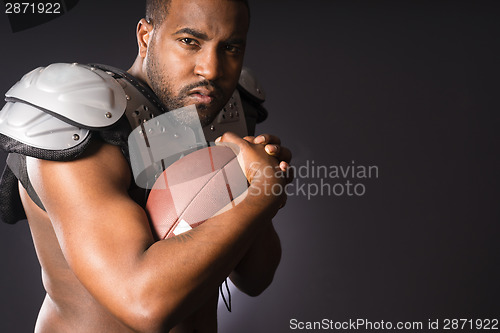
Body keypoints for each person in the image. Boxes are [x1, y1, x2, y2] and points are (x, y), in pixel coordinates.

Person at [0, 0, 292, 331]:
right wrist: (261, 197)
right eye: (189, 41)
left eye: (230, 47)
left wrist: (263, 183)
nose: (211, 69)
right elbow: (143, 304)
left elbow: (256, 278)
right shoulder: (79, 125)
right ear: (145, 36)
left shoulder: (222, 115)